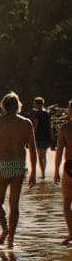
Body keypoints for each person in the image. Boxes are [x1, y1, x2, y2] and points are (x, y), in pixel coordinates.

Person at [0, 92, 38, 249]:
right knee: (14, 205)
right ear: (18, 105)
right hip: (19, 166)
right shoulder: (26, 123)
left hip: (2, 165)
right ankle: (11, 240)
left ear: (4, 106)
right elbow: (32, 149)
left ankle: (5, 229)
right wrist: (34, 172)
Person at [53, 100, 72, 245]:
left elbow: (59, 150)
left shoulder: (65, 128)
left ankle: (71, 233)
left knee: (67, 203)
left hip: (70, 167)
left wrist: (56, 170)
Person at [28, 97, 54, 179]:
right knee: (44, 156)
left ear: (38, 104)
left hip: (39, 137)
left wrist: (32, 136)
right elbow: (50, 126)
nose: (34, 105)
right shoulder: (47, 113)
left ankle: (43, 174)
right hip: (46, 137)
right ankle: (43, 172)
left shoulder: (37, 114)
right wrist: (51, 136)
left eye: (35, 103)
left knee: (40, 156)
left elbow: (35, 126)